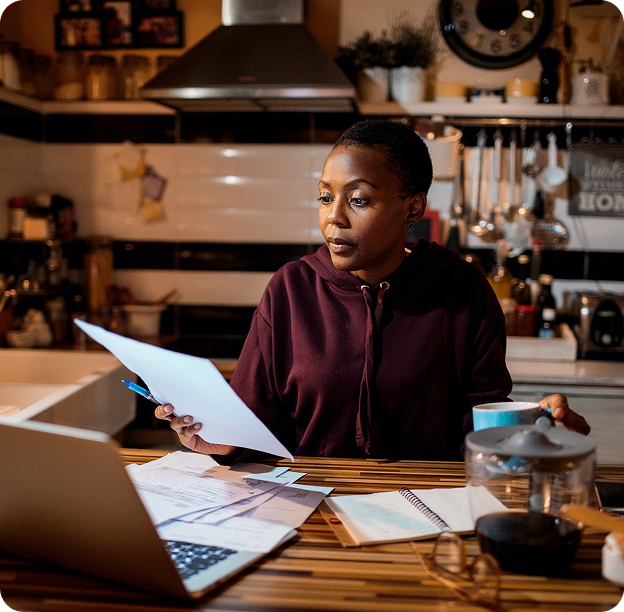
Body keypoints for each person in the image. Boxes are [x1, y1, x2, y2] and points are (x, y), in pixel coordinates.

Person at [155, 119, 589, 461]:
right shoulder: (290, 289)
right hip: (309, 510)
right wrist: (223, 443)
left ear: (413, 207)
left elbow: (481, 424)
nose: (334, 218)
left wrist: (536, 429)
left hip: (428, 510)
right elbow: (257, 420)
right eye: (326, 198)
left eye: (358, 200)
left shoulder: (463, 290)